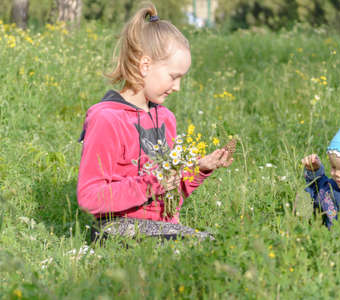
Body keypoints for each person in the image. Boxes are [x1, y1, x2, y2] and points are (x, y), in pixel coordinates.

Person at [77, 3, 233, 241]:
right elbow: (89, 197)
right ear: (145, 65)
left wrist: (200, 171)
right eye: (174, 77)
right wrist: (151, 184)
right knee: (207, 247)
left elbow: (170, 200)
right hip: (118, 229)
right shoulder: (107, 118)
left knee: (223, 246)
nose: (177, 87)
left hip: (161, 230)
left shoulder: (166, 119)